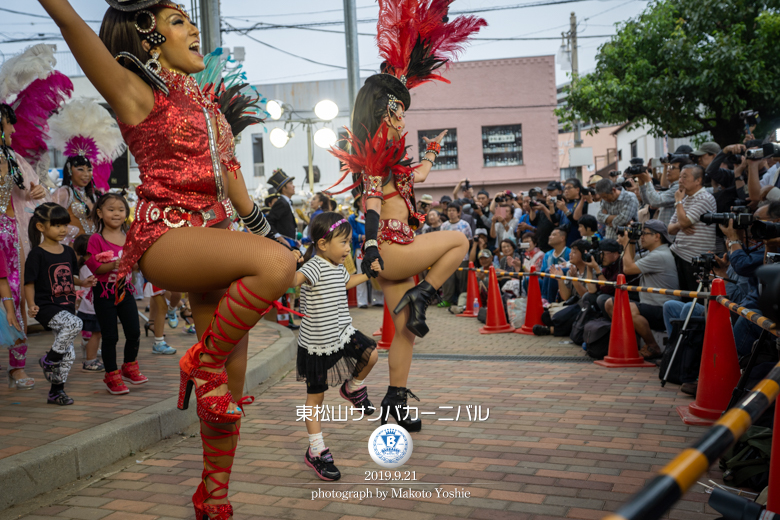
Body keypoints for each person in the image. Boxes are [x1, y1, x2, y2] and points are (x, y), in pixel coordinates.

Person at [38, 2, 300, 517]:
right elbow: (73, 26)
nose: (194, 27)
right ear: (149, 37)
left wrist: (271, 233)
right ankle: (199, 361)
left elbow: (232, 183)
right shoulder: (135, 92)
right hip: (169, 235)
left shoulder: (206, 101)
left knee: (228, 390)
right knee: (272, 270)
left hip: (218, 234)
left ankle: (213, 497)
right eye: (179, 21)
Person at [326, 3, 484, 432]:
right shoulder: (378, 145)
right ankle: (425, 295)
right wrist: (373, 243)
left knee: (404, 332)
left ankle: (394, 402)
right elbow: (372, 200)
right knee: (458, 241)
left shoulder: (391, 152)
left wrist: (432, 152)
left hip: (393, 250)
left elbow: (413, 177)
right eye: (400, 111)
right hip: (393, 248)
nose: (403, 118)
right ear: (388, 110)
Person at [293, 213, 380, 481]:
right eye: (343, 242)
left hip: (342, 333)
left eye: (349, 242)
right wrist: (288, 264)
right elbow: (292, 282)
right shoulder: (314, 267)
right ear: (322, 243)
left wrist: (366, 274)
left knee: (372, 354)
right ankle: (316, 450)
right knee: (315, 400)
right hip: (316, 344)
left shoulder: (336, 266)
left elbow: (346, 282)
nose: (347, 248)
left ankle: (352, 387)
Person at [25, 203, 96, 405]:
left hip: (65, 306)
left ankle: (56, 392)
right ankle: (49, 359)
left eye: (64, 224)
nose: (63, 229)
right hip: (46, 307)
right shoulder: (36, 254)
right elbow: (28, 283)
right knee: (75, 324)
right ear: (41, 227)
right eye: (57, 225)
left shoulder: (67, 251)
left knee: (69, 354)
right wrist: (31, 304)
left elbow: (70, 277)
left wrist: (83, 282)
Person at [86, 193, 147, 394]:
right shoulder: (96, 239)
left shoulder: (130, 237)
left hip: (126, 292)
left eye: (121, 210)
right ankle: (112, 375)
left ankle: (129, 367)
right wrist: (114, 264)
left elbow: (137, 267)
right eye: (111, 209)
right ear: (100, 213)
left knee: (134, 332)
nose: (116, 213)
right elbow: (95, 268)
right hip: (104, 294)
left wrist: (136, 264)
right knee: (110, 336)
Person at [48, 98, 126, 244]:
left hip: (94, 250)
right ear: (70, 171)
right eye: (80, 169)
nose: (86, 174)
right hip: (71, 248)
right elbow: (50, 219)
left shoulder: (94, 195)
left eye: (89, 169)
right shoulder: (64, 193)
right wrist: (73, 232)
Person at [611, 220, 679, 359]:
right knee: (610, 304)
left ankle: (652, 346)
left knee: (627, 308)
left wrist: (625, 243)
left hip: (662, 308)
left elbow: (628, 268)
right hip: (650, 304)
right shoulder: (653, 253)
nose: (641, 237)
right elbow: (631, 260)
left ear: (657, 236)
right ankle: (631, 344)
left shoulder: (659, 255)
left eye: (644, 234)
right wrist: (631, 241)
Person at [668, 165, 717, 291]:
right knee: (682, 294)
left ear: (698, 180)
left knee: (694, 297)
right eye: (679, 177)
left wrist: (678, 202)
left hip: (695, 258)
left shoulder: (704, 198)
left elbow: (684, 222)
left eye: (684, 177)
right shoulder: (685, 200)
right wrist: (681, 224)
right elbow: (670, 229)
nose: (680, 181)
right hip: (680, 253)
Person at [72, 234, 104, 372]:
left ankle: (88, 353)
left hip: (88, 306)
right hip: (92, 307)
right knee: (96, 334)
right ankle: (90, 361)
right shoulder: (89, 267)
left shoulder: (83, 265)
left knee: (94, 334)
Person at [349, 195, 383, 308]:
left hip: (374, 248)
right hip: (360, 249)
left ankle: (377, 299)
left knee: (376, 273)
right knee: (361, 274)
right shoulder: (353, 218)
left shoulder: (375, 214)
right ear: (358, 203)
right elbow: (351, 234)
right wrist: (363, 237)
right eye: (363, 200)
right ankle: (362, 301)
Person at [637, 156, 690, 226]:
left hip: (672, 235)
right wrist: (642, 184)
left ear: (683, 171)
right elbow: (649, 201)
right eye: (668, 167)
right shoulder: (672, 188)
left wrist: (648, 181)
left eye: (672, 168)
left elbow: (655, 201)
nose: (668, 170)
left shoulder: (679, 188)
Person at [439, 202, 473, 307]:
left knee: (462, 280)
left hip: (463, 257)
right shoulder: (444, 226)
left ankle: (462, 301)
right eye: (449, 210)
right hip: (448, 258)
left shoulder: (465, 224)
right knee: (448, 279)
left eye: (454, 210)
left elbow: (469, 240)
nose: (451, 213)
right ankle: (447, 299)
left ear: (459, 212)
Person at [266, 169, 299, 246]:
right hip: (284, 243)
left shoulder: (285, 202)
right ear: (284, 188)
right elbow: (269, 222)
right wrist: (280, 239)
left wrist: (295, 240)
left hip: (290, 242)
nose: (293, 186)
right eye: (291, 183)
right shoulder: (281, 203)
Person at [539, 228, 570, 303]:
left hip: (564, 281)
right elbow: (542, 274)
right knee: (528, 279)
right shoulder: (547, 254)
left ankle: (547, 300)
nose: (550, 237)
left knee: (550, 271)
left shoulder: (570, 252)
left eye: (554, 235)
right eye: (550, 235)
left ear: (562, 238)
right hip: (547, 281)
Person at [559, 178, 585, 245]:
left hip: (577, 241)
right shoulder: (565, 203)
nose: (566, 191)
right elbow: (555, 222)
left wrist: (565, 209)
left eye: (569, 188)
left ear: (577, 189)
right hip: (564, 242)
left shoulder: (582, 203)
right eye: (565, 188)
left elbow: (577, 222)